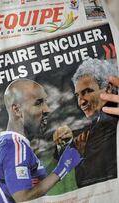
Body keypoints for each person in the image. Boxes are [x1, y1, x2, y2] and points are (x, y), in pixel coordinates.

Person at [0, 79, 82, 203]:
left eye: (45, 102)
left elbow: (36, 180)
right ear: (17, 110)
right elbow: (23, 198)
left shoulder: (3, 146)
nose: (47, 109)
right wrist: (64, 167)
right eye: (38, 103)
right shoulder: (15, 148)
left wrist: (58, 153)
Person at [55, 58, 118, 188]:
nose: (81, 102)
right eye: (78, 95)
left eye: (87, 91)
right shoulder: (100, 120)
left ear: (108, 88)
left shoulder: (107, 123)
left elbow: (88, 182)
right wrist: (63, 143)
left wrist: (81, 156)